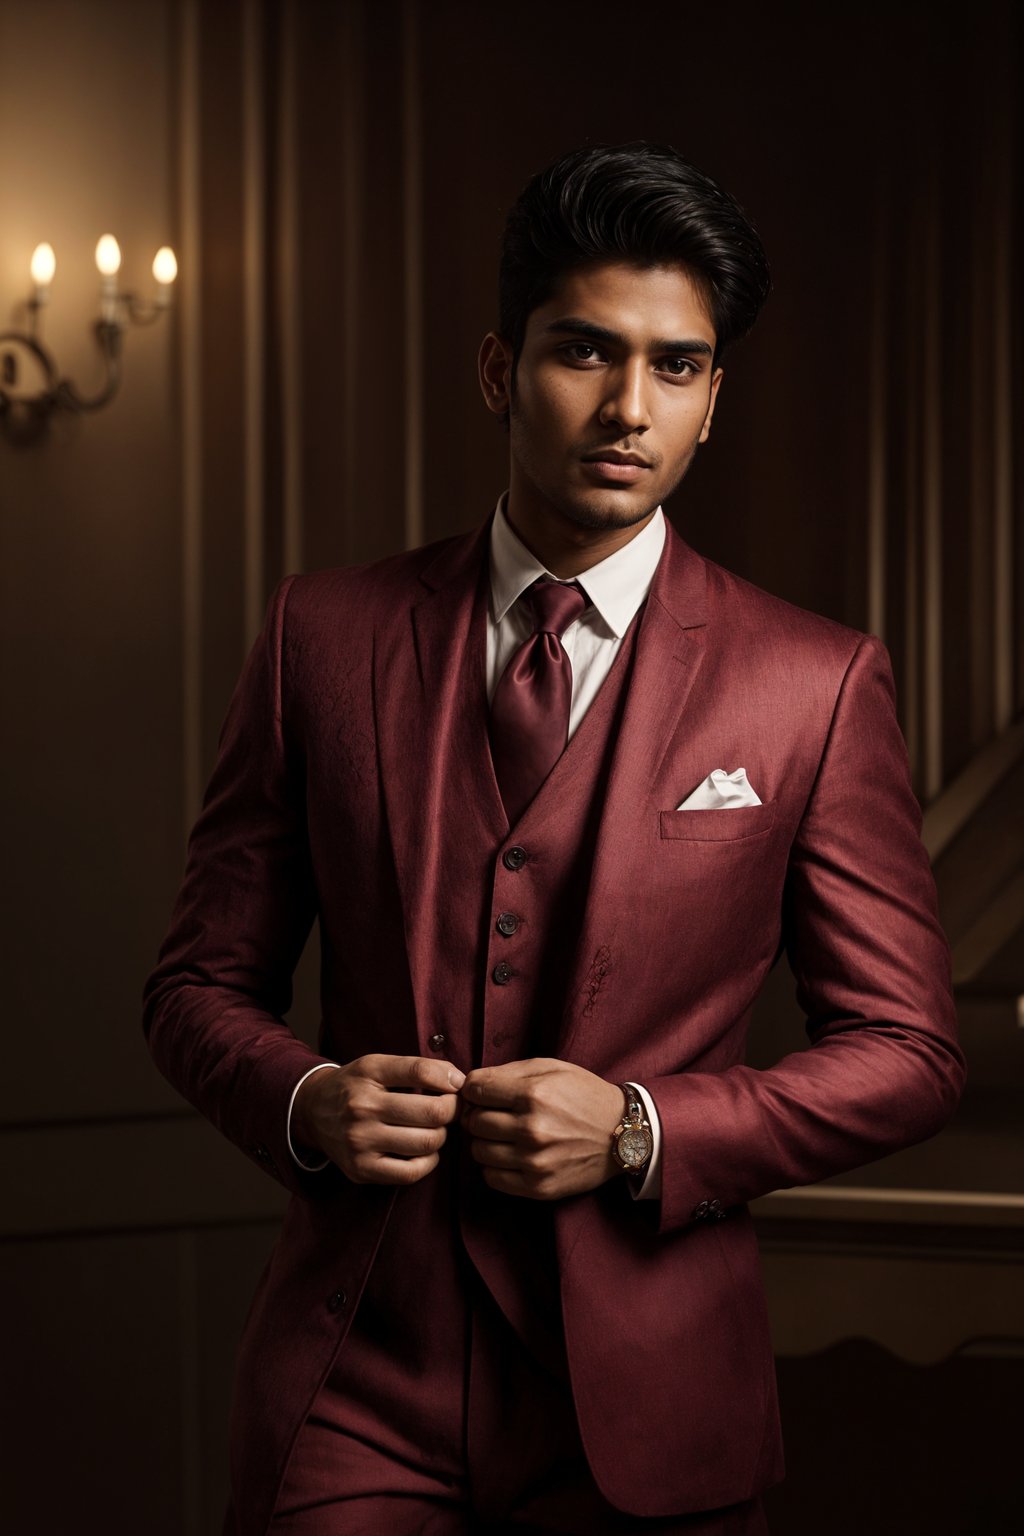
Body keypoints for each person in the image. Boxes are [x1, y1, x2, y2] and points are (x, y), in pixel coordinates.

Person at [143, 142, 964, 1535]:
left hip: (653, 1392)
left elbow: (909, 1051)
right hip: (361, 1375)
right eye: (586, 351)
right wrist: (307, 1101)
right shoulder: (321, 641)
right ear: (497, 371)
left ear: (713, 403)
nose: (629, 407)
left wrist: (645, 1129)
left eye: (679, 367)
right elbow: (193, 989)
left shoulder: (810, 683)